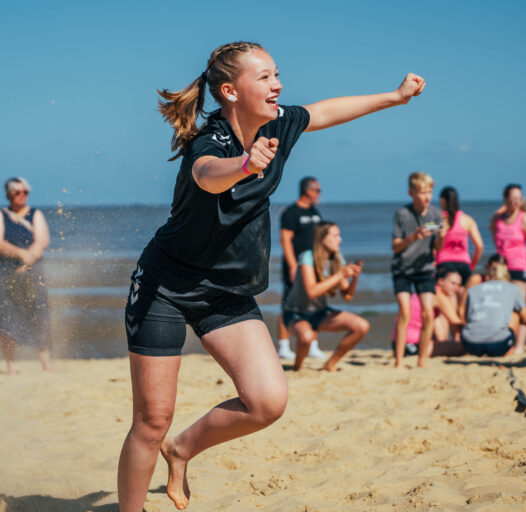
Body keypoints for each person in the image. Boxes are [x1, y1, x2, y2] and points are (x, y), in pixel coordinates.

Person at [120, 41, 425, 512]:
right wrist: (246, 164)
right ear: (230, 91)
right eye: (264, 77)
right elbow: (206, 174)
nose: (277, 84)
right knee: (152, 419)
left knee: (267, 402)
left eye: (276, 74)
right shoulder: (213, 139)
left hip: (226, 291)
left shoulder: (278, 123)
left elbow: (324, 111)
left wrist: (394, 96)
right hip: (166, 287)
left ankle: (181, 450)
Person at [0, 177, 53, 374]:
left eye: (25, 192)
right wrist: (21, 254)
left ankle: (46, 365)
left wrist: (26, 262)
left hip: (32, 271)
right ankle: (11, 366)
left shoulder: (36, 214)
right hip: (3, 271)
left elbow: (42, 242)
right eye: (17, 192)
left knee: (38, 314)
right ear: (8, 195)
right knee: (5, 315)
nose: (21, 196)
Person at [283, 222, 368, 371]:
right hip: (296, 313)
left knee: (361, 326)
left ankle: (330, 365)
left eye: (339, 235)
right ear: (322, 238)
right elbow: (312, 292)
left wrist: (354, 277)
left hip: (320, 313)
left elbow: (347, 295)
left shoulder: (337, 258)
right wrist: (341, 274)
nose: (340, 239)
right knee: (306, 337)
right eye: (335, 235)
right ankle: (297, 368)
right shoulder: (307, 257)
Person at [392, 171, 442, 369]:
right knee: (404, 312)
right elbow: (395, 246)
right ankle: (398, 360)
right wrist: (413, 236)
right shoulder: (402, 215)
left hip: (425, 268)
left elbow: (438, 247)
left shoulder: (435, 214)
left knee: (428, 313)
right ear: (411, 193)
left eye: (430, 191)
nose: (427, 196)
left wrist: (442, 235)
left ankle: (422, 359)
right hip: (402, 267)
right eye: (422, 192)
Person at [276, 177, 324, 360]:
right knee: (288, 303)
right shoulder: (291, 213)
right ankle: (283, 346)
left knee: (314, 303)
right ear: (308, 191)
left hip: (313, 266)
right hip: (295, 266)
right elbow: (285, 240)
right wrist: (292, 265)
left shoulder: (315, 212)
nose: (319, 194)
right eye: (318, 190)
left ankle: (312, 344)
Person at [490, 183, 526, 353]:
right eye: (513, 198)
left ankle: (519, 345)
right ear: (506, 199)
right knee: (501, 306)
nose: (516, 201)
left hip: (519, 267)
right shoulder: (498, 218)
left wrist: (524, 262)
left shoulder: (524, 218)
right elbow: (492, 229)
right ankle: (504, 341)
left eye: (519, 198)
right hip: (501, 269)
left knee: (519, 306)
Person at [460, 254, 526, 357]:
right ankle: (510, 350)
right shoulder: (512, 288)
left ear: (488, 269)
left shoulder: (475, 288)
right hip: (497, 343)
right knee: (515, 314)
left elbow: (465, 312)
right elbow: (525, 317)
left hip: (469, 342)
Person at [435, 186, 483, 285]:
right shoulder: (468, 220)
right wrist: (472, 265)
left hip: (443, 263)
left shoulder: (437, 220)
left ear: (442, 200)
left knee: (444, 298)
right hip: (464, 264)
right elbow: (480, 246)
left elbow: (426, 236)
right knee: (463, 297)